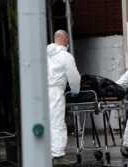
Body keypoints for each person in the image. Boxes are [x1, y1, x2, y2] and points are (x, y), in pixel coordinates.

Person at [47, 30, 81, 166]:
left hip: (41, 93)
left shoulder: (44, 54)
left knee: (46, 124)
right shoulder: (66, 56)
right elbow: (74, 77)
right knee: (57, 123)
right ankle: (58, 156)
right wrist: (75, 91)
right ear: (65, 39)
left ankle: (46, 154)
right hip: (55, 92)